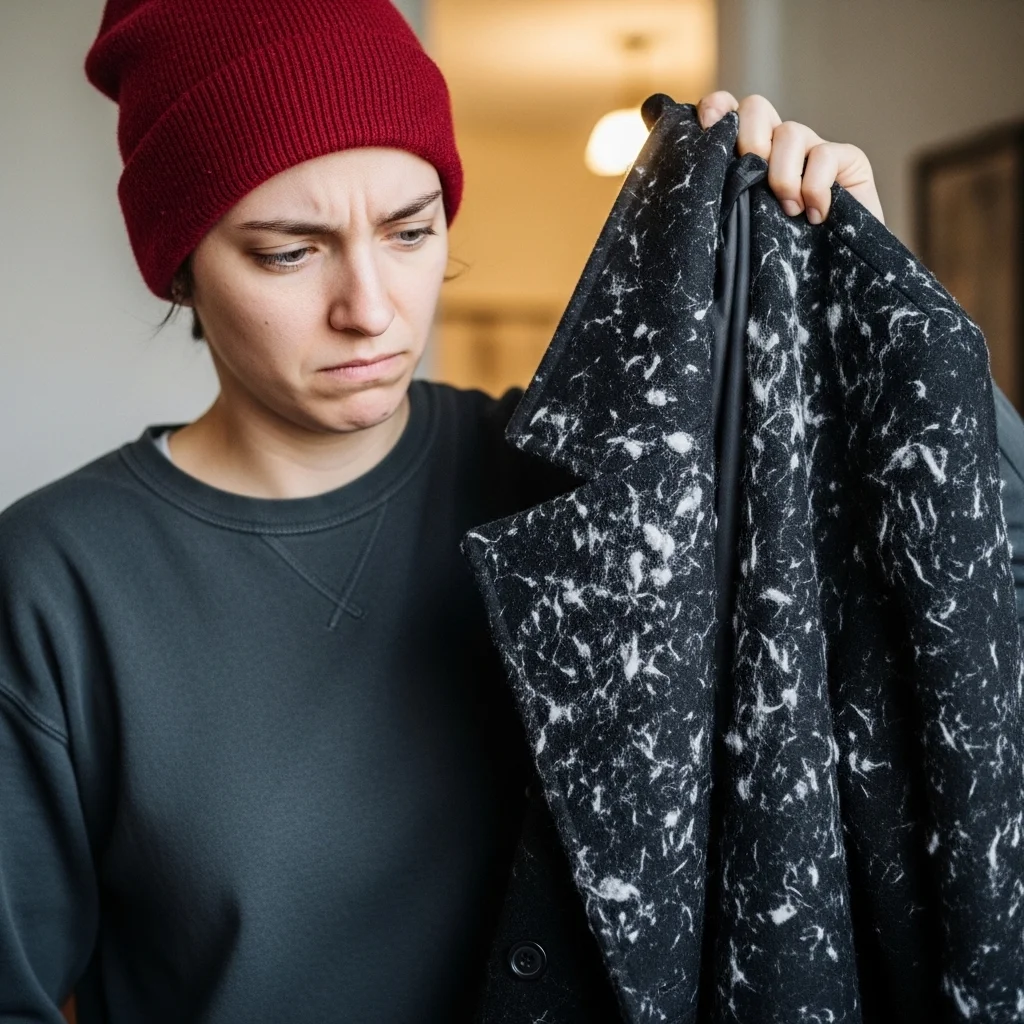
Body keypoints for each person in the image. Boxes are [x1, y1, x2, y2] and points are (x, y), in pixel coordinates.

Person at [0, 2, 1020, 1022]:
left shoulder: (588, 491)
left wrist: (870, 308)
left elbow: (971, 600)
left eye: (409, 231)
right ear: (178, 263)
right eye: (288, 252)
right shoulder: (55, 583)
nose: (371, 305)